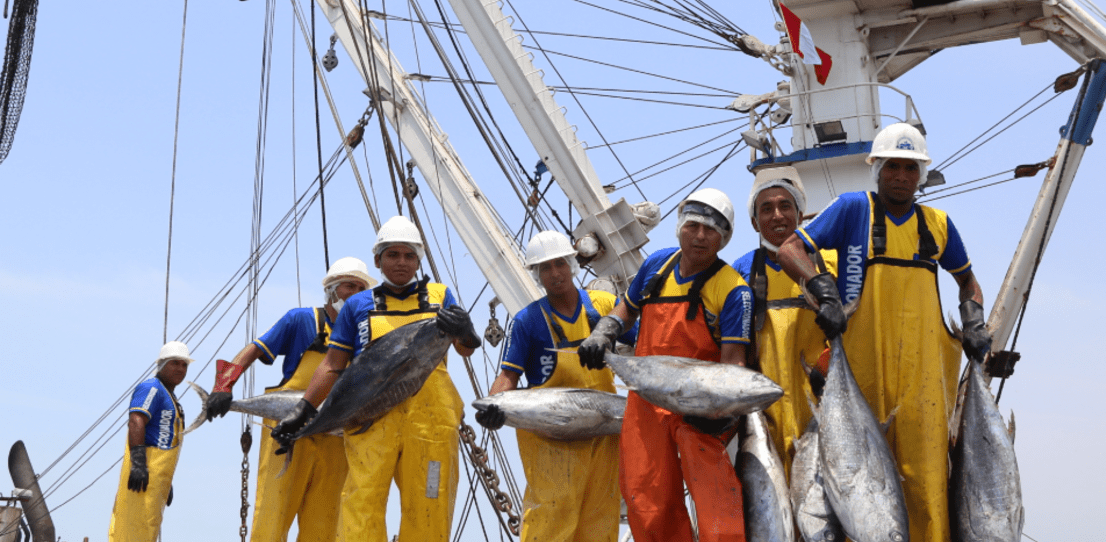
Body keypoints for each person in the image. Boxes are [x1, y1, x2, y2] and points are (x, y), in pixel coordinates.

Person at [775, 122, 991, 542]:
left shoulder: (938, 224)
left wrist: (974, 323)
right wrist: (822, 290)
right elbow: (790, 249)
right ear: (876, 167)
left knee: (927, 488)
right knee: (859, 489)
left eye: (911, 168)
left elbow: (968, 281)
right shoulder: (854, 209)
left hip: (923, 386)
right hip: (861, 376)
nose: (901, 176)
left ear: (921, 174)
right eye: (893, 166)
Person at [272, 216, 480, 542]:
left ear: (418, 260)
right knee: (361, 503)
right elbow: (332, 364)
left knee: (430, 505)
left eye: (408, 255)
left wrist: (466, 331)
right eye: (392, 254)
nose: (401, 262)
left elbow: (465, 349)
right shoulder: (357, 305)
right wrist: (304, 409)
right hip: (370, 423)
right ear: (378, 260)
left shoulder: (441, 296)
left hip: (432, 425)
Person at [579, 188, 752, 542]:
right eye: (694, 225)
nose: (701, 236)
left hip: (700, 412)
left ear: (725, 238)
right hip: (646, 407)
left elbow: (734, 366)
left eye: (712, 230)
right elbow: (626, 309)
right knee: (647, 500)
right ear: (680, 227)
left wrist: (721, 416)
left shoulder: (734, 291)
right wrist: (605, 331)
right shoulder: (658, 265)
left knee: (716, 505)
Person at [476, 230, 634, 542]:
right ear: (537, 274)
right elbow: (508, 377)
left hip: (602, 439)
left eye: (560, 264)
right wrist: (493, 405)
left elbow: (645, 344)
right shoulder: (527, 321)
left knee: (600, 522)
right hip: (550, 443)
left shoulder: (605, 305)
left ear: (572, 264)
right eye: (545, 268)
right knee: (550, 522)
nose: (555, 273)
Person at [205, 257, 375, 542]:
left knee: (325, 525)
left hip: (335, 439)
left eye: (362, 287)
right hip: (288, 434)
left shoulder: (364, 333)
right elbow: (255, 349)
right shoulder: (301, 319)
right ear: (332, 289)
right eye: (349, 285)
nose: (356, 292)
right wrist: (224, 384)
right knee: (273, 515)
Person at [730, 166, 835, 476]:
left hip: (824, 408)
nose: (777, 215)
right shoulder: (741, 272)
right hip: (766, 418)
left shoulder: (828, 262)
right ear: (754, 222)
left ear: (800, 214)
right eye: (766, 209)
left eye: (785, 206)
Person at [109, 341, 193, 542]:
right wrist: (138, 463)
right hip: (142, 474)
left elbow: (163, 439)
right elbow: (137, 419)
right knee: (133, 529)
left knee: (147, 529)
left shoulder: (170, 397)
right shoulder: (152, 388)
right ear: (162, 364)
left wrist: (165, 480)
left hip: (155, 478)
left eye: (184, 365)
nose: (180, 369)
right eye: (175, 363)